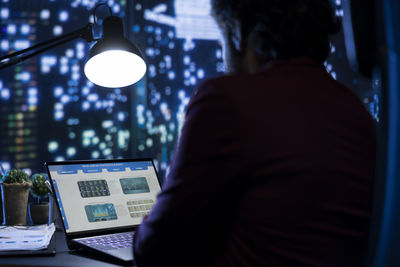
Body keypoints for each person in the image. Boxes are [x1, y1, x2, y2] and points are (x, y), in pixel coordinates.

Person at [133, 0, 376, 266]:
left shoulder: (225, 99)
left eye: (220, 38)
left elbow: (153, 248)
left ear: (237, 33)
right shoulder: (357, 112)